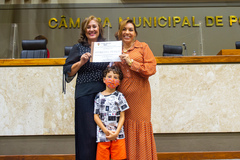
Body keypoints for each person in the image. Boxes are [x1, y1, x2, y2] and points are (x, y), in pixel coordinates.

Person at [63, 15, 109, 160]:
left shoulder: (106, 47)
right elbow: (68, 71)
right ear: (84, 30)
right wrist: (81, 62)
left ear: (99, 29)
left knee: (102, 133)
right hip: (84, 95)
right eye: (88, 27)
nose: (91, 29)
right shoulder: (78, 48)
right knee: (87, 134)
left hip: (104, 95)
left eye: (94, 26)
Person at [115, 19, 158, 160]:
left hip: (140, 96)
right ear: (120, 32)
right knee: (122, 127)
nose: (127, 32)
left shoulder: (142, 47)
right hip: (120, 96)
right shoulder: (114, 48)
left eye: (130, 29)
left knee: (140, 127)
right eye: (124, 29)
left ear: (135, 33)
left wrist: (131, 62)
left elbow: (151, 69)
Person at [94, 66, 129, 160]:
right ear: (104, 79)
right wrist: (105, 131)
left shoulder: (120, 96)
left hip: (118, 135)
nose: (112, 79)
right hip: (103, 135)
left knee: (119, 158)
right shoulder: (98, 97)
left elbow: (122, 116)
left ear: (119, 82)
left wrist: (116, 133)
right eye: (109, 76)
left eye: (115, 77)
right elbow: (96, 116)